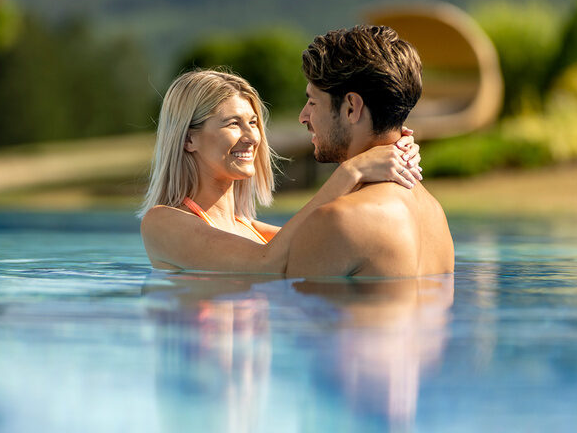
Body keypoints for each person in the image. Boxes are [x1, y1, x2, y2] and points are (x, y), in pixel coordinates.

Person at [139, 69, 422, 272]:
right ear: (189, 139)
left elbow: (332, 239)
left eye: (253, 122)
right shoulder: (162, 222)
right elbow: (266, 264)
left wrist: (393, 146)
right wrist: (352, 171)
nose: (252, 137)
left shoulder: (252, 230)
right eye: (233, 124)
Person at [285, 25, 454, 277]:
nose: (303, 116)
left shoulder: (338, 220)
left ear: (352, 107)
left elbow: (298, 310)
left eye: (312, 102)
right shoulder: (435, 214)